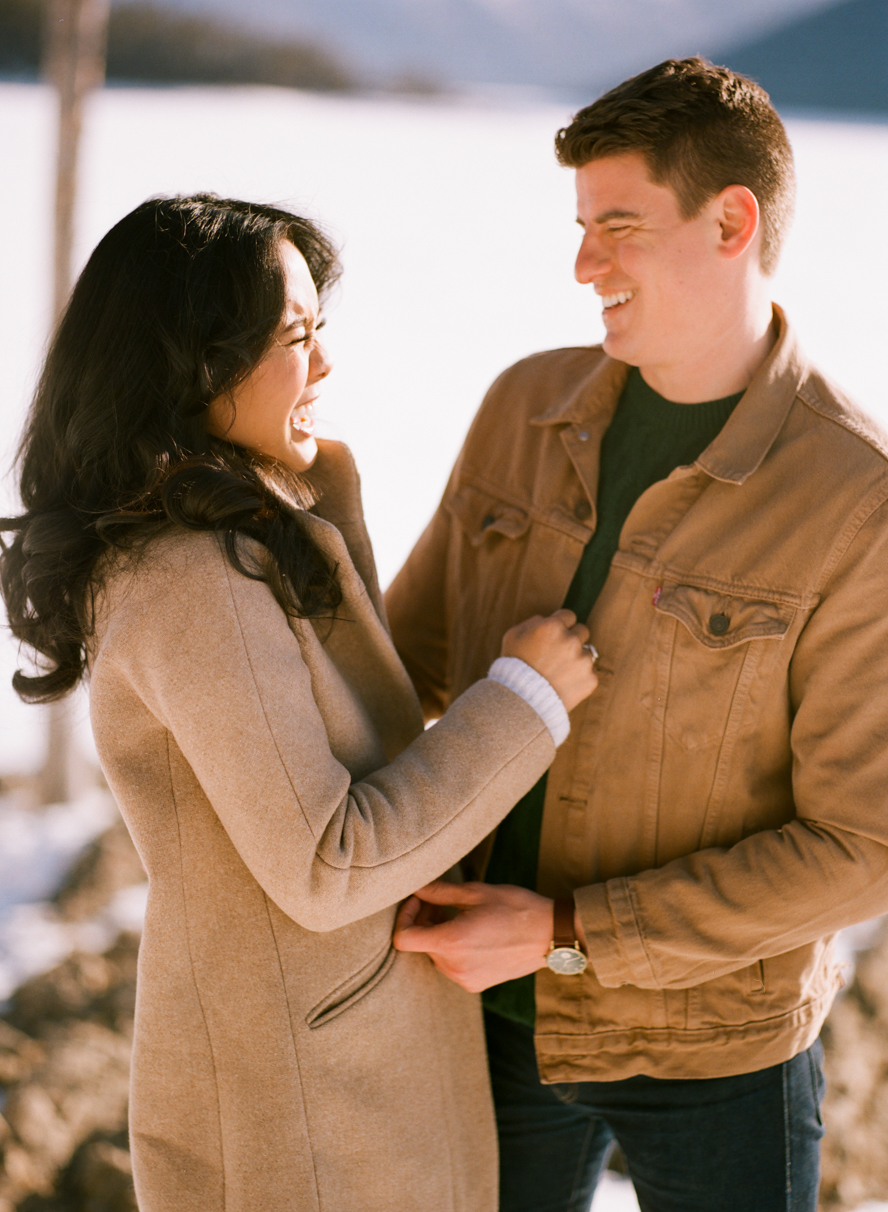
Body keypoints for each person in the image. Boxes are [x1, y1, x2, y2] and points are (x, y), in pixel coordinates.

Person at [0, 194, 599, 1212]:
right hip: (309, 1109)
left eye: (323, 332)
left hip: (341, 1071)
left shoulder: (237, 531)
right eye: (295, 337)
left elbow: (349, 738)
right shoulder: (191, 577)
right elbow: (326, 859)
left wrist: (331, 510)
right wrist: (527, 700)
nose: (323, 366)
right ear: (195, 363)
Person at [387, 57, 888, 1212]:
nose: (582, 266)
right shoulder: (526, 405)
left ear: (732, 221)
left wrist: (567, 934)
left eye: (617, 227)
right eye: (579, 227)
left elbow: (860, 844)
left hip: (718, 1055)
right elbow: (402, 664)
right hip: (484, 1026)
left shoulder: (853, 497)